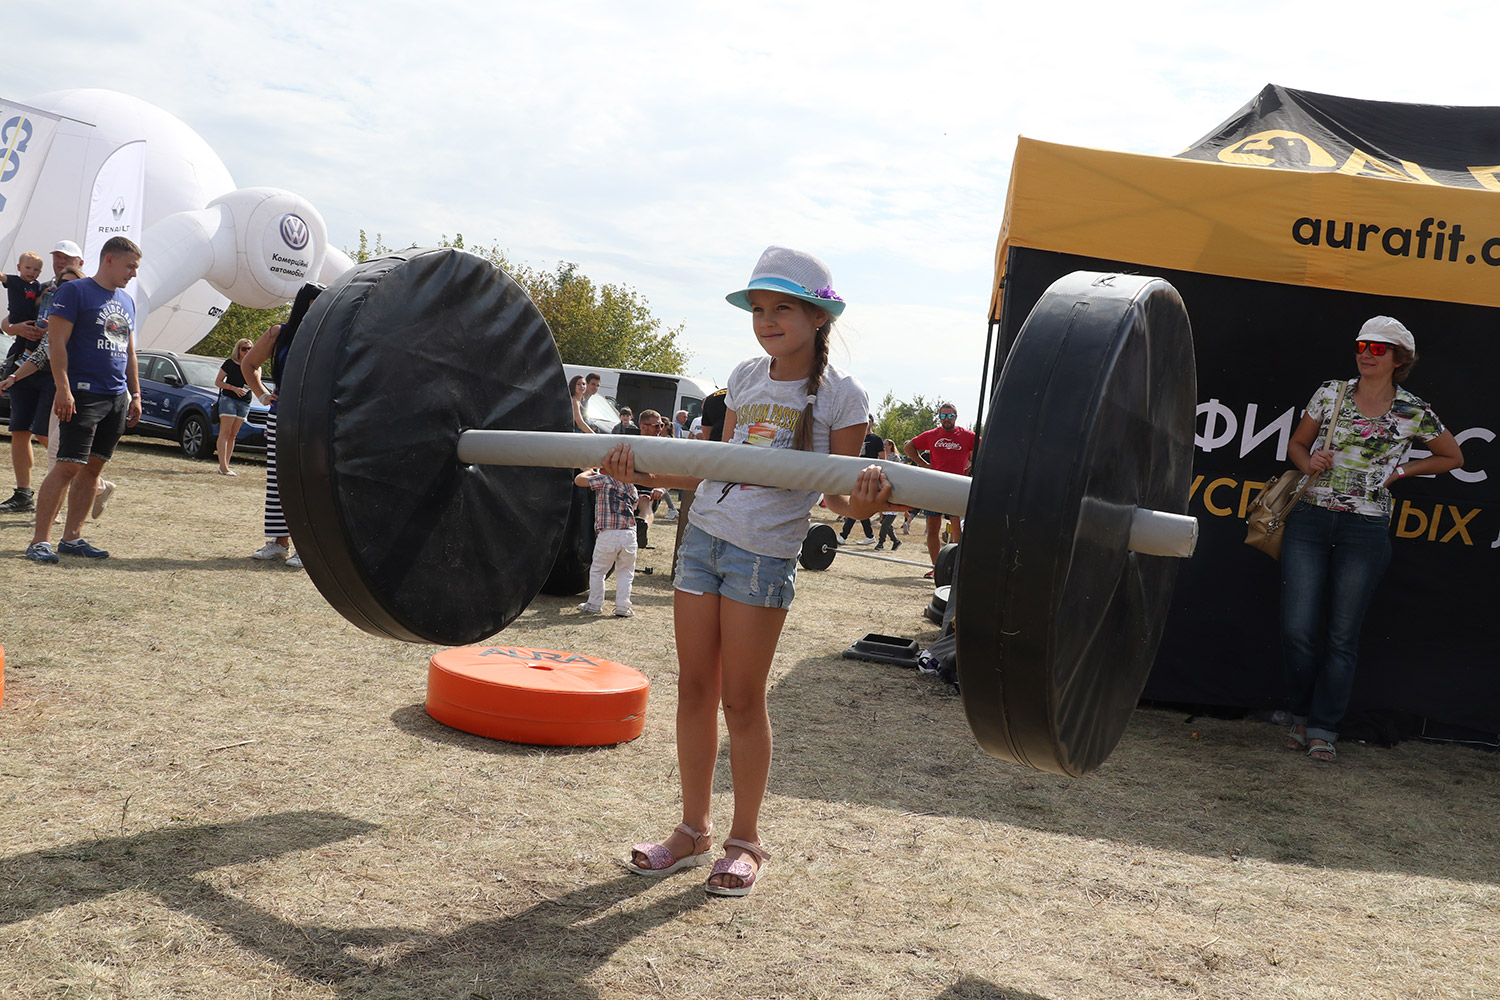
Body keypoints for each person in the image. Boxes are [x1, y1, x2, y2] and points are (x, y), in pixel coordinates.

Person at [606, 245, 891, 896]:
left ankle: (745, 842)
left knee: (740, 699)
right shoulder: (744, 377)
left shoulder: (843, 397)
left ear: (818, 316)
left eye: (781, 308)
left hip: (763, 557)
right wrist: (641, 470)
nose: (766, 321)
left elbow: (839, 497)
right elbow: (715, 466)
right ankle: (692, 831)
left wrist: (866, 501)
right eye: (758, 309)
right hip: (702, 540)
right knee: (694, 689)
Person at [1280, 317, 1462, 764]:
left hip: (1366, 527)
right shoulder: (1331, 392)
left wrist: (1403, 470)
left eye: (1378, 349)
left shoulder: (1413, 410)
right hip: (1310, 519)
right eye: (1362, 345)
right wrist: (1308, 462)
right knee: (1297, 629)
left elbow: (1452, 456)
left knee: (1342, 636)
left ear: (1399, 359)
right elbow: (1296, 446)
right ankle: (1301, 716)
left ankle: (1322, 729)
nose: (1366, 354)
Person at [24, 237, 144, 563]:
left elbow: (129, 352)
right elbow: (57, 343)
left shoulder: (126, 301)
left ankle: (72, 538)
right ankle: (40, 541)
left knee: (92, 469)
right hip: (82, 393)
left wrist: (135, 395)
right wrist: (63, 389)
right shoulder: (75, 292)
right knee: (68, 466)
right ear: (109, 260)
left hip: (116, 396)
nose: (134, 273)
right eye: (130, 266)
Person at [242, 283, 325, 569]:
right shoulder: (280, 333)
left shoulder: (329, 333)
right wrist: (262, 394)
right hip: (282, 415)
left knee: (310, 480)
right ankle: (279, 543)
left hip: (315, 418)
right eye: (316, 302)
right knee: (279, 480)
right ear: (305, 303)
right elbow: (249, 364)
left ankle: (308, 548)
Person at [574, 465, 663, 617]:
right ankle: (623, 606)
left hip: (608, 533)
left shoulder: (604, 480)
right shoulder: (631, 487)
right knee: (626, 573)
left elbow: (579, 480)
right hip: (629, 534)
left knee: (598, 571)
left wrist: (589, 471)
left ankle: (594, 604)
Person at [904, 404, 979, 576]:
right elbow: (909, 447)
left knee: (957, 528)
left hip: (956, 485)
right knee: (932, 528)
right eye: (943, 416)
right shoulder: (932, 435)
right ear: (939, 418)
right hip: (935, 485)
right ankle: (936, 567)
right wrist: (923, 464)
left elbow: (984, 446)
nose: (946, 419)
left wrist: (971, 463)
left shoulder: (967, 436)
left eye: (950, 416)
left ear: (956, 416)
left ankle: (955, 567)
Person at [0, 250, 47, 512]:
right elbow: (7, 323)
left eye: (36, 269)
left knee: (44, 431)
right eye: (28, 268)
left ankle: (87, 481)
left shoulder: (61, 288)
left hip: (50, 368)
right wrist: (13, 328)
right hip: (21, 362)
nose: (32, 273)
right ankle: (23, 494)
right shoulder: (27, 285)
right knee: (19, 429)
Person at [838, 414, 882, 544]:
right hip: (855, 474)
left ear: (872, 423)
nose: (866, 423)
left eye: (869, 421)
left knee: (856, 504)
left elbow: (883, 459)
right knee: (858, 505)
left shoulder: (876, 439)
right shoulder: (856, 437)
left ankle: (844, 536)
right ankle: (869, 536)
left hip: (869, 476)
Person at [214, 339, 255, 475]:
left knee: (233, 435)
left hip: (245, 402)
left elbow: (255, 382)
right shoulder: (230, 363)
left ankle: (225, 465)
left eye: (249, 349)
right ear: (238, 350)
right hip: (229, 400)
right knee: (225, 432)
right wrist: (233, 388)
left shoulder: (253, 365)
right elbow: (218, 382)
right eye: (244, 349)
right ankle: (223, 467)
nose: (247, 351)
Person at [874, 439, 902, 551]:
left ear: (890, 446)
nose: (884, 446)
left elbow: (898, 471)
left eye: (885, 444)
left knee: (886, 523)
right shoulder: (880, 456)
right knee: (884, 521)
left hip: (893, 488)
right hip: (883, 487)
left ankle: (881, 543)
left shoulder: (895, 457)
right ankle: (896, 541)